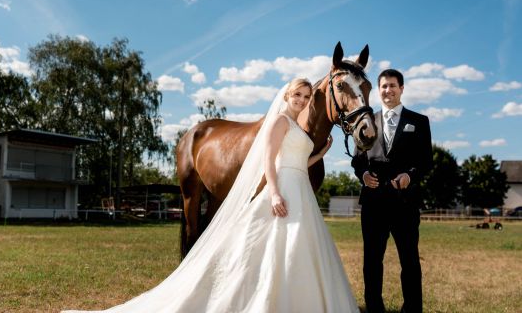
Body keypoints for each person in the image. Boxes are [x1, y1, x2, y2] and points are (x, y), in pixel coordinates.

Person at [63, 78, 360, 312]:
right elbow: (268, 161)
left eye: (306, 97)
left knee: (297, 247)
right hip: (282, 190)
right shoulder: (280, 121)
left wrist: (319, 152)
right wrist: (274, 193)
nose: (301, 100)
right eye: (297, 95)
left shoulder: (296, 126)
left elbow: (292, 162)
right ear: (286, 96)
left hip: (299, 190)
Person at [351, 69, 433, 313]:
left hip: (405, 203)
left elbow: (426, 161)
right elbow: (357, 161)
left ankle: (412, 308)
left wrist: (410, 175)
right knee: (372, 261)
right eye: (384, 86)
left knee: (409, 260)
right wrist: (363, 175)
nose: (388, 90)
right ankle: (374, 307)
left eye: (393, 86)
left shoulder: (419, 122)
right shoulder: (367, 122)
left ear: (402, 89)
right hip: (373, 205)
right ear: (379, 90)